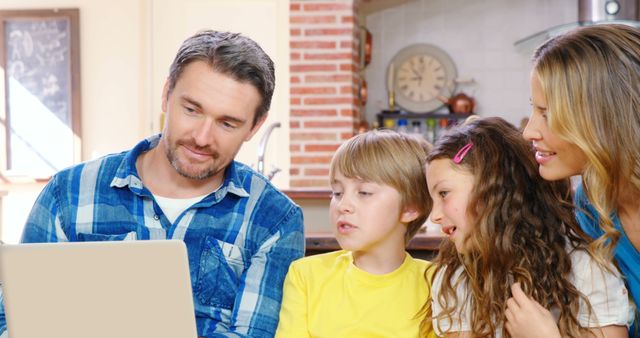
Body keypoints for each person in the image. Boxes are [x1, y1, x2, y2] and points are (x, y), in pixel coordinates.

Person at [0, 30, 304, 338]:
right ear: (166, 94)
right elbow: (14, 321)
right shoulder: (68, 194)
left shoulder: (274, 219)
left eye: (227, 123)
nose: (201, 138)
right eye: (191, 110)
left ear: (255, 125)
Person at [422, 117, 632, 337]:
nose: (435, 215)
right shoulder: (456, 278)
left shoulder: (586, 269)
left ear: (493, 188)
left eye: (444, 193)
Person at [522, 23, 640, 335]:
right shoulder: (590, 203)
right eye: (533, 110)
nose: (529, 132)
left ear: (602, 118)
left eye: (547, 114)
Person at [274, 130, 435, 338]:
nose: (343, 205)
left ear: (410, 208)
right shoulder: (306, 276)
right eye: (337, 193)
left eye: (364, 192)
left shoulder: (435, 284)